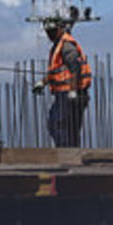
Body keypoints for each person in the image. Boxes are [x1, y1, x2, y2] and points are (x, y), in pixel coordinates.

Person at [31, 19, 92, 147]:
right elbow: (57, 71)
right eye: (48, 32)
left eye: (53, 31)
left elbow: (75, 69)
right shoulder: (57, 46)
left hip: (70, 94)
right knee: (68, 128)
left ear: (60, 29)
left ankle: (67, 152)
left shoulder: (66, 46)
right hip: (64, 94)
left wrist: (73, 91)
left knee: (58, 125)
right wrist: (43, 82)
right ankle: (71, 153)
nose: (50, 35)